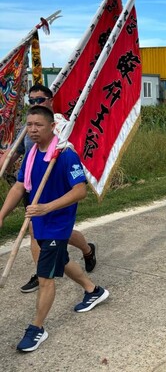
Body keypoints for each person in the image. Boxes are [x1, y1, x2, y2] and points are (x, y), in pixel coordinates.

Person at [0, 105, 109, 352]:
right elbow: (19, 187)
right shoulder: (31, 155)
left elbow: (80, 190)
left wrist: (47, 208)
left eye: (38, 125)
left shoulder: (65, 155)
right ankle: (93, 290)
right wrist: (2, 215)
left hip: (57, 224)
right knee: (60, 261)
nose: (33, 129)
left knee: (45, 277)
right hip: (39, 222)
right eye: (29, 125)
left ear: (52, 127)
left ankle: (37, 328)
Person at [0, 84, 96, 294]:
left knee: (62, 234)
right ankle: (43, 272)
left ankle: (87, 251)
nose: (35, 103)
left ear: (50, 101)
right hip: (35, 188)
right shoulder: (29, 127)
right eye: (31, 100)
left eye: (40, 99)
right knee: (37, 232)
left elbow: (74, 158)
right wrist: (7, 161)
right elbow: (22, 153)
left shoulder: (63, 126)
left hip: (58, 190)